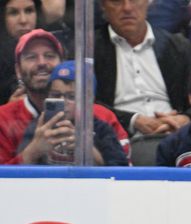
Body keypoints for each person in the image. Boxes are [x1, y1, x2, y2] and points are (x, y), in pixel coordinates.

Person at [0, 29, 130, 164]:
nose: (41, 63)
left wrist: (87, 150)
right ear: (18, 70)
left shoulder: (103, 117)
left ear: (62, 63)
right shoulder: (4, 119)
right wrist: (34, 150)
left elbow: (123, 173)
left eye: (50, 55)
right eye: (31, 57)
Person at [95, 0, 191, 136]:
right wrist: (133, 121)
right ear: (103, 6)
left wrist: (185, 119)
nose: (127, 8)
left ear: (149, 2)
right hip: (120, 137)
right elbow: (85, 104)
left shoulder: (179, 47)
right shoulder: (88, 50)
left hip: (176, 136)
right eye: (117, 1)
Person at [16, 60, 129, 165]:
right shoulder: (40, 128)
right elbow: (17, 171)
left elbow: (120, 170)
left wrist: (87, 150)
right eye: (55, 95)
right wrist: (35, 148)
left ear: (89, 100)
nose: (63, 101)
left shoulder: (101, 129)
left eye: (72, 96)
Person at [0, 0, 40, 104]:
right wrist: (7, 111)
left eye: (29, 10)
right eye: (13, 13)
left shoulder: (52, 50)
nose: (23, 20)